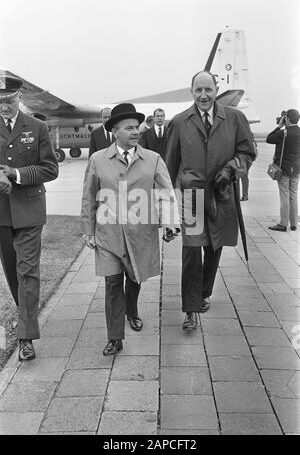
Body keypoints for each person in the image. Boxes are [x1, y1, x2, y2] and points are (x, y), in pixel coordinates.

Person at [81, 103, 180, 356]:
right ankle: (115, 337)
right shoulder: (98, 160)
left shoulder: (153, 159)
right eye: (128, 128)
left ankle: (132, 310)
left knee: (135, 277)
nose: (135, 132)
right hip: (109, 235)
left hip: (141, 233)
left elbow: (166, 193)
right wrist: (88, 230)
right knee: (113, 283)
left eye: (136, 127)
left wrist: (170, 222)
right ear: (115, 132)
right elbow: (89, 197)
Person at [165, 70, 256, 330]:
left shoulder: (236, 118)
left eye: (208, 90)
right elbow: (169, 166)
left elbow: (247, 152)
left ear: (217, 90)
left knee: (214, 247)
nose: (203, 95)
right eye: (198, 90)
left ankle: (204, 293)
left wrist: (230, 169)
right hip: (191, 197)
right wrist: (166, 207)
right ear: (191, 92)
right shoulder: (180, 122)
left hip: (221, 194)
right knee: (192, 250)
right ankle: (191, 309)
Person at [0, 74, 59, 360]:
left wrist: (16, 174)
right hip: (1, 214)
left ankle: (26, 337)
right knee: (12, 274)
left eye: (9, 101)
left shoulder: (37, 127)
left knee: (28, 272)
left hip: (30, 211)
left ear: (19, 98)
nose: (4, 106)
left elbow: (50, 169)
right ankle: (26, 314)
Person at [267, 109, 300, 232]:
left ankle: (283, 223)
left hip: (284, 169)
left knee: (284, 196)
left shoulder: (284, 133)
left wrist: (278, 126)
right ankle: (294, 224)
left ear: (287, 119)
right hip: (296, 169)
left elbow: (269, 139)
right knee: (294, 195)